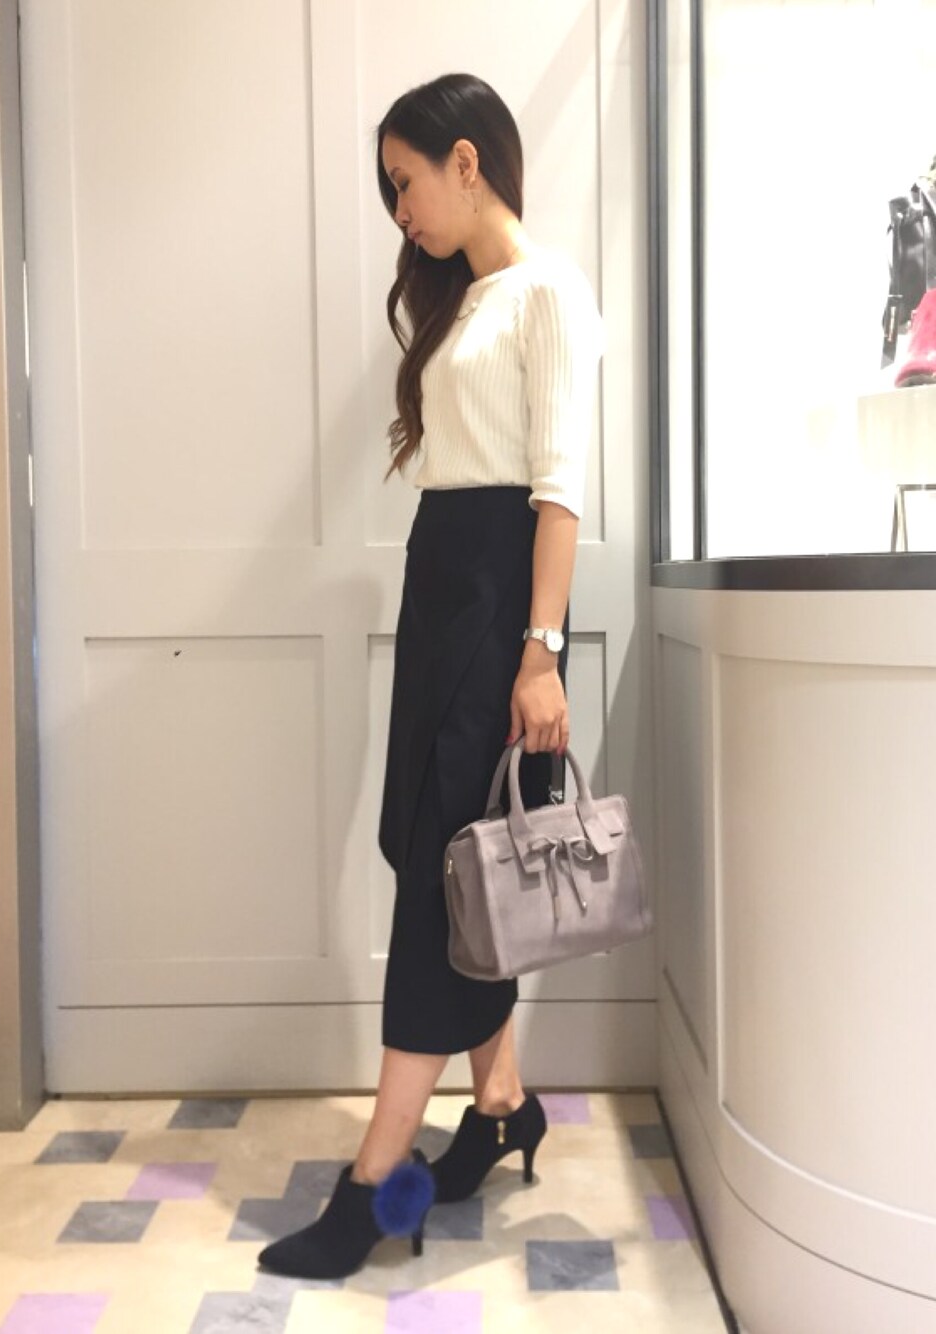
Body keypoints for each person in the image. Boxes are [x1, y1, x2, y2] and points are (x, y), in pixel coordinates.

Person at [257, 72, 605, 1281]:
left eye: (403, 182)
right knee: (442, 857)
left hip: (502, 597)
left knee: (437, 884)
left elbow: (557, 492)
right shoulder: (466, 298)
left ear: (468, 161)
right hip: (442, 585)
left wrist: (539, 652)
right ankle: (499, 1100)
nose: (398, 209)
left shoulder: (549, 290)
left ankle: (373, 1185)